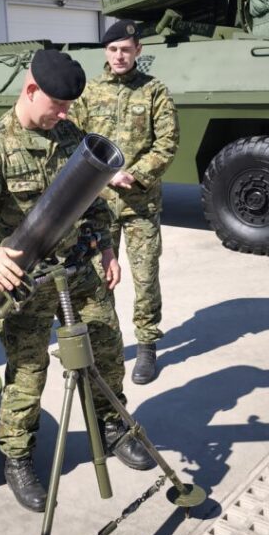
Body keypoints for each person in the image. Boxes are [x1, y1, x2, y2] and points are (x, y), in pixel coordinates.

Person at [0, 49, 154, 513]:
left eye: (70, 106)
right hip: (26, 280)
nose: (65, 114)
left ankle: (113, 428)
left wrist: (106, 247)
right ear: (31, 90)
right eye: (58, 104)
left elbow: (93, 200)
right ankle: (17, 457)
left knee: (106, 352)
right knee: (28, 371)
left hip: (79, 270)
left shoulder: (69, 136)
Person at [70, 20, 179, 385]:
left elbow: (167, 142)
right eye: (113, 49)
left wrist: (135, 173)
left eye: (126, 49)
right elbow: (73, 139)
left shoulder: (154, 91)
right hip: (98, 206)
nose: (119, 56)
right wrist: (99, 175)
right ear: (106, 51)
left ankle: (146, 344)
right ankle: (107, 346)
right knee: (100, 280)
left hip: (140, 205)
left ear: (138, 51)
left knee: (145, 278)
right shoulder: (89, 92)